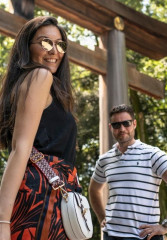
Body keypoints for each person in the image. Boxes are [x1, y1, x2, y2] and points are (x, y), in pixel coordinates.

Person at [0, 16, 78, 240]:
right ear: (27, 46)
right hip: (43, 197)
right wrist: (2, 220)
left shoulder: (41, 84)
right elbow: (20, 148)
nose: (54, 51)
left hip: (51, 193)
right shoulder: (40, 76)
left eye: (60, 44)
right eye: (45, 42)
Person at [89, 104, 167, 240]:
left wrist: (165, 227)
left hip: (145, 237)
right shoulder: (104, 160)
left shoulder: (153, 154)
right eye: (116, 125)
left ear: (134, 124)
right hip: (111, 236)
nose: (122, 129)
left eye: (126, 123)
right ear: (110, 127)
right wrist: (102, 218)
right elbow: (94, 190)